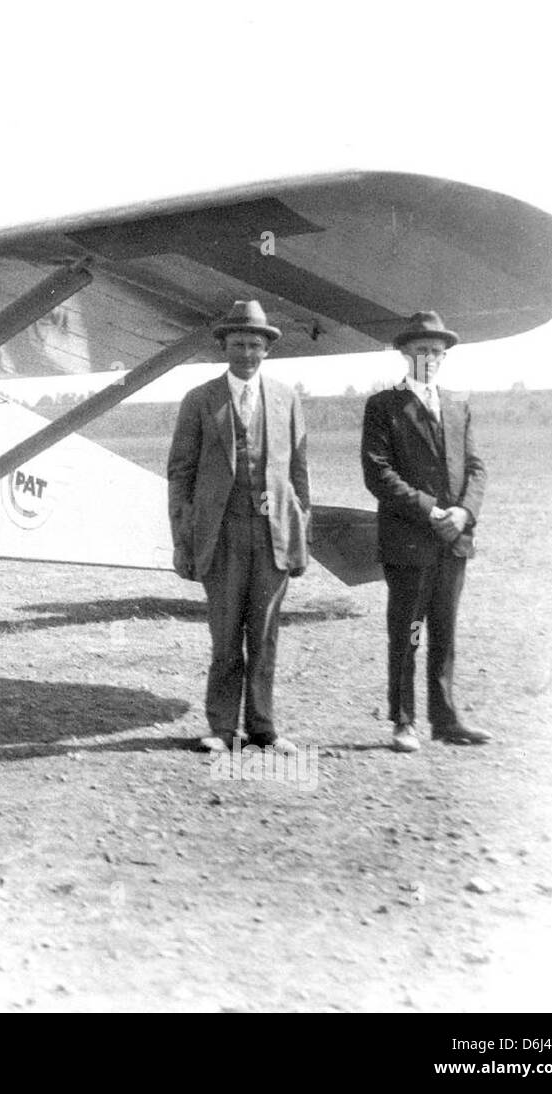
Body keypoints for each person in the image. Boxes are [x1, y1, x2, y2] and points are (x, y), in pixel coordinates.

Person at [167, 300, 310, 754]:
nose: (246, 353)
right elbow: (180, 475)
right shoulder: (199, 400)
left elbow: (299, 473)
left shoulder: (287, 399)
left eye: (254, 345)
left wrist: (300, 532)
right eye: (238, 344)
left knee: (264, 635)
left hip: (272, 537)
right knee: (226, 635)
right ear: (224, 348)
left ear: (266, 349)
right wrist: (184, 539)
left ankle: (263, 727)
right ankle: (223, 729)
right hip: (223, 535)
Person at [361, 311, 490, 752]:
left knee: (445, 631)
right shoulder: (384, 406)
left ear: (444, 356)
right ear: (404, 353)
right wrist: (431, 510)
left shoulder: (458, 405)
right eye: (421, 351)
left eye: (436, 352)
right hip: (409, 541)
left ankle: (447, 719)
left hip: (454, 541)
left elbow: (475, 469)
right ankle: (403, 721)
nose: (429, 358)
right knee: (408, 633)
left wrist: (464, 515)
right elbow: (378, 473)